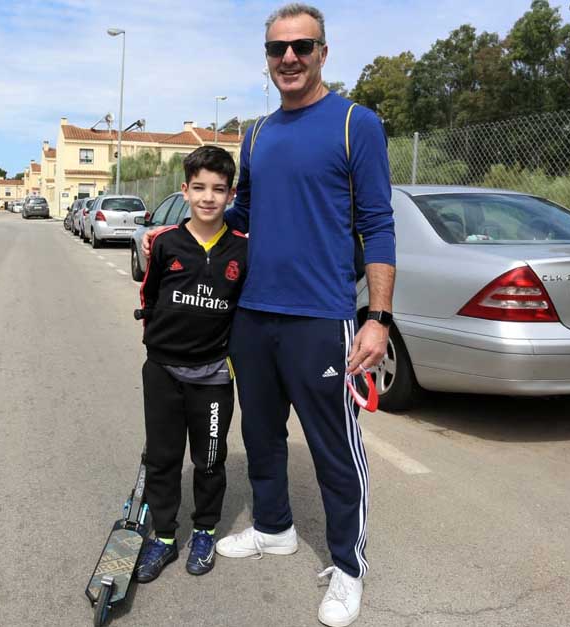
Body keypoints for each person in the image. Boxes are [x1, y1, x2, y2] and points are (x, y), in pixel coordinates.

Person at [142, 4, 395, 626]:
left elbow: (378, 224)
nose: (289, 58)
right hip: (252, 316)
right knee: (259, 437)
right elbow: (239, 216)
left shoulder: (354, 125)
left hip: (321, 317)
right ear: (267, 56)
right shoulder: (255, 133)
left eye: (302, 47)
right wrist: (177, 239)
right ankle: (275, 528)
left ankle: (348, 568)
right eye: (278, 48)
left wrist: (377, 317)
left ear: (323, 53)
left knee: (335, 449)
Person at [132, 146, 247, 583]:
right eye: (199, 187)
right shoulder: (164, 243)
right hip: (163, 372)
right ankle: (163, 537)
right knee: (162, 458)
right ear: (185, 190)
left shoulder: (241, 251)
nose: (208, 197)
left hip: (214, 376)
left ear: (230, 195)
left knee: (210, 460)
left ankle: (204, 530)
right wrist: (156, 345)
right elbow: (150, 295)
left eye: (218, 189)